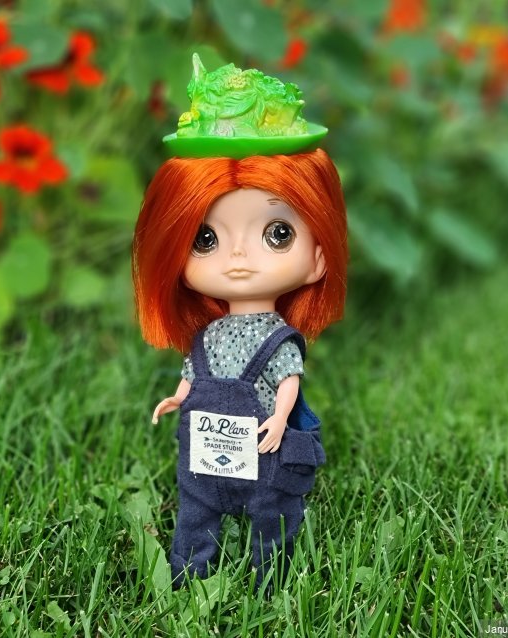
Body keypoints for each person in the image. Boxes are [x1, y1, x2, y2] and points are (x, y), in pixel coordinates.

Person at [132, 54, 348, 589]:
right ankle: (188, 574)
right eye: (205, 239)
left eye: (278, 234)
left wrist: (280, 419)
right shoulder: (206, 336)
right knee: (196, 512)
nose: (237, 258)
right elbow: (194, 372)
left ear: (318, 258)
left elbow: (288, 380)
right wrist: (178, 397)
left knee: (271, 516)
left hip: (264, 447)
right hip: (207, 450)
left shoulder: (278, 339)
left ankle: (270, 580)